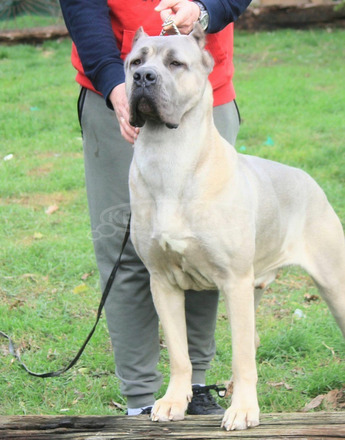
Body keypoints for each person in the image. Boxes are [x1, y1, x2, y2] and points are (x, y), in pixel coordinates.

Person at [59, 0, 251, 416]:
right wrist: (115, 83)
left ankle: (194, 385)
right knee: (125, 249)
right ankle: (141, 399)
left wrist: (204, 11)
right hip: (115, 84)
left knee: (210, 247)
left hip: (200, 86)